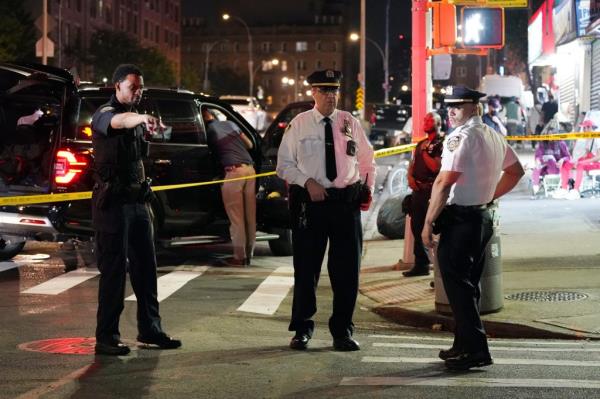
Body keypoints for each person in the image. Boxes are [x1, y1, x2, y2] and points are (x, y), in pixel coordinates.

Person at [421, 85, 524, 370]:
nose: (451, 112)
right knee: (469, 286)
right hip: (483, 219)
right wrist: (489, 194)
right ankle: (463, 344)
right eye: (449, 106)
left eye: (458, 106)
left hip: (462, 221)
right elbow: (515, 172)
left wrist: (428, 223)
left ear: (474, 108)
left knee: (458, 286)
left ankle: (476, 349)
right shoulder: (492, 134)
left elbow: (443, 183)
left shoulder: (461, 138)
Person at [277, 69, 376, 352]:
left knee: (347, 272)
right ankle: (302, 329)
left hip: (346, 204)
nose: (330, 95)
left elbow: (367, 160)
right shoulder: (300, 124)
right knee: (306, 269)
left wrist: (367, 188)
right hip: (312, 205)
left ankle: (342, 331)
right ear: (313, 93)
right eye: (324, 90)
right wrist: (307, 182)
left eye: (334, 90)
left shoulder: (349, 122)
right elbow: (284, 164)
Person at [91, 64, 181, 356]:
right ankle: (106, 336)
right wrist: (140, 117)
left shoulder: (138, 119)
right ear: (117, 86)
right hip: (113, 203)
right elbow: (118, 122)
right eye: (133, 87)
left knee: (146, 268)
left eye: (140, 87)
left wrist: (152, 126)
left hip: (138, 201)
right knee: (114, 270)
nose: (138, 92)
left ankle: (150, 330)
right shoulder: (105, 113)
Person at [203, 107, 256, 266]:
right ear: (212, 114)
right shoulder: (231, 124)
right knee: (249, 216)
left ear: (203, 117)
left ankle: (239, 257)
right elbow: (250, 145)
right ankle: (248, 255)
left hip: (234, 172)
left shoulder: (209, 130)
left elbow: (208, 151)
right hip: (250, 170)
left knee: (236, 218)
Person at [403, 112, 443, 277]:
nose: (425, 122)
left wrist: (426, 152)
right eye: (424, 119)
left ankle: (440, 268)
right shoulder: (420, 144)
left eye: (430, 120)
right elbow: (412, 163)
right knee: (416, 226)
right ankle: (421, 264)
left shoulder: (441, 144)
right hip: (417, 192)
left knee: (434, 229)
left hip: (432, 192)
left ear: (438, 123)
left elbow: (436, 167)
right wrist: (410, 177)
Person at [554, 119, 600, 199]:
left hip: (597, 163)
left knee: (580, 165)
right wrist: (575, 160)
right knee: (565, 164)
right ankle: (564, 189)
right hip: (588, 160)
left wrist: (582, 162)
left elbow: (598, 157)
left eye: (586, 128)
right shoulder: (587, 138)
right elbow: (586, 154)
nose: (584, 130)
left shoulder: (597, 138)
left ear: (590, 128)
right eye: (584, 128)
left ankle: (575, 190)